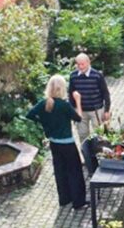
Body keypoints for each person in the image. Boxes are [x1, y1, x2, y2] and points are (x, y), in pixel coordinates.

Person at [27, 75, 87, 210]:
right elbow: (78, 118)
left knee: (60, 171)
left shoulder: (44, 103)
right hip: (67, 144)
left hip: (54, 143)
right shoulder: (64, 105)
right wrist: (78, 101)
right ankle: (78, 202)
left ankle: (64, 199)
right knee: (75, 171)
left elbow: (30, 114)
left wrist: (44, 123)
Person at [68, 53, 111, 143]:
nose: (80, 66)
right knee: (82, 135)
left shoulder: (97, 75)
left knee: (99, 134)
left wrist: (106, 110)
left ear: (88, 62)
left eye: (82, 64)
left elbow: (105, 93)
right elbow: (71, 94)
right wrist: (72, 110)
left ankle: (99, 153)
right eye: (78, 64)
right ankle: (86, 154)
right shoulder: (73, 76)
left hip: (96, 111)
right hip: (80, 111)